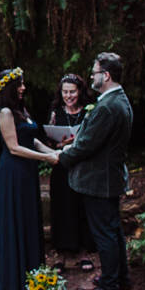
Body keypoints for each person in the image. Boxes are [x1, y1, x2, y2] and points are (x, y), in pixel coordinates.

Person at [35, 52, 133, 290]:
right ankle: (120, 279)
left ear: (106, 75)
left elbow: (87, 145)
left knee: (105, 234)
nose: (92, 76)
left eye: (95, 72)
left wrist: (60, 156)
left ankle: (110, 286)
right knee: (113, 231)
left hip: (101, 181)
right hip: (110, 177)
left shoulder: (108, 107)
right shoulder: (119, 100)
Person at [0, 67, 61, 290]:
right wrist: (46, 159)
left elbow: (32, 140)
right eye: (19, 84)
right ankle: (15, 282)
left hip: (28, 172)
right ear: (9, 88)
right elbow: (14, 147)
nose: (23, 87)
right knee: (17, 219)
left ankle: (33, 274)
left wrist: (54, 153)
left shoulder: (21, 110)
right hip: (13, 173)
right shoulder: (5, 113)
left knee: (30, 218)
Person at [46, 73, 96, 273]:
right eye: (65, 92)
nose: (68, 96)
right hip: (61, 166)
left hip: (82, 166)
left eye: (72, 92)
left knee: (81, 206)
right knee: (61, 207)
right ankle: (62, 254)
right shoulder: (55, 112)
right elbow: (48, 140)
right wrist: (57, 143)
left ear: (80, 91)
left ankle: (83, 253)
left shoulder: (88, 112)